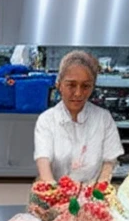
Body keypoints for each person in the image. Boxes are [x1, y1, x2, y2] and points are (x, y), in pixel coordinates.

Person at [35, 51, 124, 184]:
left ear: (92, 87)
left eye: (85, 86)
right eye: (71, 85)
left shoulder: (103, 118)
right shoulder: (47, 120)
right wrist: (53, 190)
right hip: (56, 189)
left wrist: (100, 187)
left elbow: (109, 161)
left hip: (92, 190)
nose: (78, 93)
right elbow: (43, 162)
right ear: (59, 85)